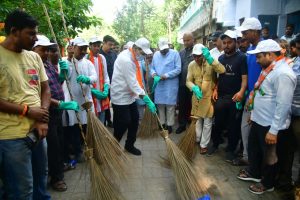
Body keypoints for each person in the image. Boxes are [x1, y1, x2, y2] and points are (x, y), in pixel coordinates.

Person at [0, 10, 51, 199]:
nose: (35, 38)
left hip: (38, 132)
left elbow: (45, 90)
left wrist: (42, 118)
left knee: (41, 183)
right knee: (22, 191)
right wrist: (28, 111)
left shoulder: (34, 57)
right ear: (14, 31)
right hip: (11, 137)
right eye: (31, 33)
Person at [237, 39, 296, 195]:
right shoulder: (269, 69)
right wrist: (253, 114)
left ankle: (267, 183)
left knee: (269, 156)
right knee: (254, 149)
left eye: (259, 57)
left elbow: (283, 105)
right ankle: (255, 173)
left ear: (270, 55)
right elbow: (261, 94)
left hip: (270, 125)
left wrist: (274, 131)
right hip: (259, 120)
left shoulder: (283, 74)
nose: (256, 61)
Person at [110, 37, 156, 156]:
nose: (143, 56)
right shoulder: (126, 60)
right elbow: (133, 84)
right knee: (124, 122)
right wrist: (146, 99)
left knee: (134, 120)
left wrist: (143, 94)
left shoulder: (132, 56)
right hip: (120, 96)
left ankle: (129, 145)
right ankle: (113, 144)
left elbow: (135, 81)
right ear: (135, 48)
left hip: (129, 95)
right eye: (142, 52)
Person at [208, 30, 248, 162]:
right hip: (222, 96)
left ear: (236, 43)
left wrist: (241, 92)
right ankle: (215, 144)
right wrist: (215, 89)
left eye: (229, 42)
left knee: (233, 125)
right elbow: (219, 77)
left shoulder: (242, 57)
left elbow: (244, 78)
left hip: (235, 97)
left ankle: (231, 149)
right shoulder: (221, 58)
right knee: (218, 122)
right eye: (224, 43)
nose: (226, 45)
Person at [62, 37, 97, 163]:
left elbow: (94, 77)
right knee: (75, 129)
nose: (83, 51)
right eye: (80, 48)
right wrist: (70, 60)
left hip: (86, 101)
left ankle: (88, 149)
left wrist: (88, 79)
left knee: (87, 127)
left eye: (85, 49)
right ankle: (77, 153)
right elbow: (66, 75)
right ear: (73, 48)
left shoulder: (88, 63)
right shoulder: (65, 62)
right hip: (73, 102)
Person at [233, 17, 263, 166]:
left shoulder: (264, 49)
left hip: (261, 98)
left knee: (255, 132)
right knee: (245, 129)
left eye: (245, 33)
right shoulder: (250, 50)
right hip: (250, 96)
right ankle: (247, 158)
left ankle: (255, 164)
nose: (243, 36)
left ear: (254, 31)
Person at [186, 44, 225, 154]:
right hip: (197, 96)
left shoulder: (211, 62)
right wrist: (193, 87)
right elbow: (188, 80)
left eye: (199, 56)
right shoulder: (191, 65)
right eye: (194, 56)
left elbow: (222, 70)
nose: (196, 59)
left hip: (208, 97)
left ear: (203, 55)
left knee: (208, 121)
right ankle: (198, 139)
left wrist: (211, 60)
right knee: (197, 120)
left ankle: (204, 145)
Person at [151, 38, 181, 134]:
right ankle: (162, 123)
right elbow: (152, 68)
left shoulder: (175, 54)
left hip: (170, 84)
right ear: (158, 48)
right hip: (159, 84)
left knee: (170, 106)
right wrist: (154, 74)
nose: (164, 51)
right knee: (160, 105)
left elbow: (178, 69)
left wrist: (166, 75)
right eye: (162, 49)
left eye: (165, 49)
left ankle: (170, 125)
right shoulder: (155, 55)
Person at [87, 36, 110, 123]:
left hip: (101, 90)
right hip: (91, 92)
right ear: (90, 46)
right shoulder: (86, 58)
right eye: (94, 46)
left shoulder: (102, 58)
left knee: (102, 115)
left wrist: (106, 87)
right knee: (93, 115)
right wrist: (92, 90)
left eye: (98, 46)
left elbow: (105, 74)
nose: (97, 48)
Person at [176, 32, 194, 134]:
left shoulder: (197, 51)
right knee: (182, 105)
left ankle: (192, 124)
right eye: (184, 41)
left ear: (193, 40)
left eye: (188, 40)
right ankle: (182, 125)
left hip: (194, 84)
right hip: (182, 83)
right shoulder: (181, 53)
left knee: (192, 104)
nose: (186, 42)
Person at [100, 35, 117, 127]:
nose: (111, 47)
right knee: (105, 103)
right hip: (103, 84)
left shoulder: (113, 54)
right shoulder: (98, 54)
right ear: (104, 42)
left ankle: (115, 120)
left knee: (115, 102)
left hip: (114, 83)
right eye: (110, 45)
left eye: (112, 45)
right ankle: (107, 120)